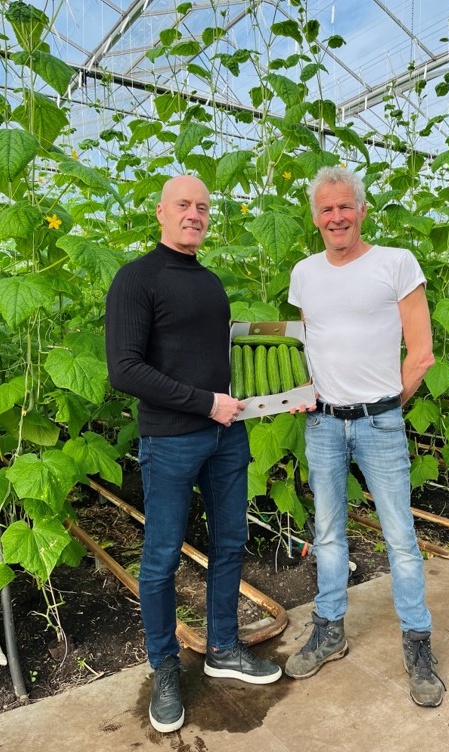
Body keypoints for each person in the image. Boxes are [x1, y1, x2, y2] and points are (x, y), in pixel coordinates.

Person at [106, 175, 282, 734]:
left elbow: (220, 361)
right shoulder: (136, 279)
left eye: (203, 207)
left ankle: (222, 648)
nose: (194, 214)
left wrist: (280, 393)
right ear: (161, 212)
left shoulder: (209, 283)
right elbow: (124, 369)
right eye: (183, 204)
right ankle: (164, 666)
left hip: (227, 436)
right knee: (161, 557)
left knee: (230, 541)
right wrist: (205, 404)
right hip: (171, 439)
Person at [283, 166, 443, 708]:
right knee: (328, 533)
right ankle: (330, 630)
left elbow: (421, 354)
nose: (336, 217)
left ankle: (417, 644)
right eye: (326, 209)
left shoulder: (395, 263)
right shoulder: (304, 274)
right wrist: (303, 392)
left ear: (362, 210)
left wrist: (385, 406)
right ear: (315, 218)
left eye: (345, 206)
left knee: (400, 537)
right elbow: (309, 344)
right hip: (323, 422)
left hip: (379, 422)